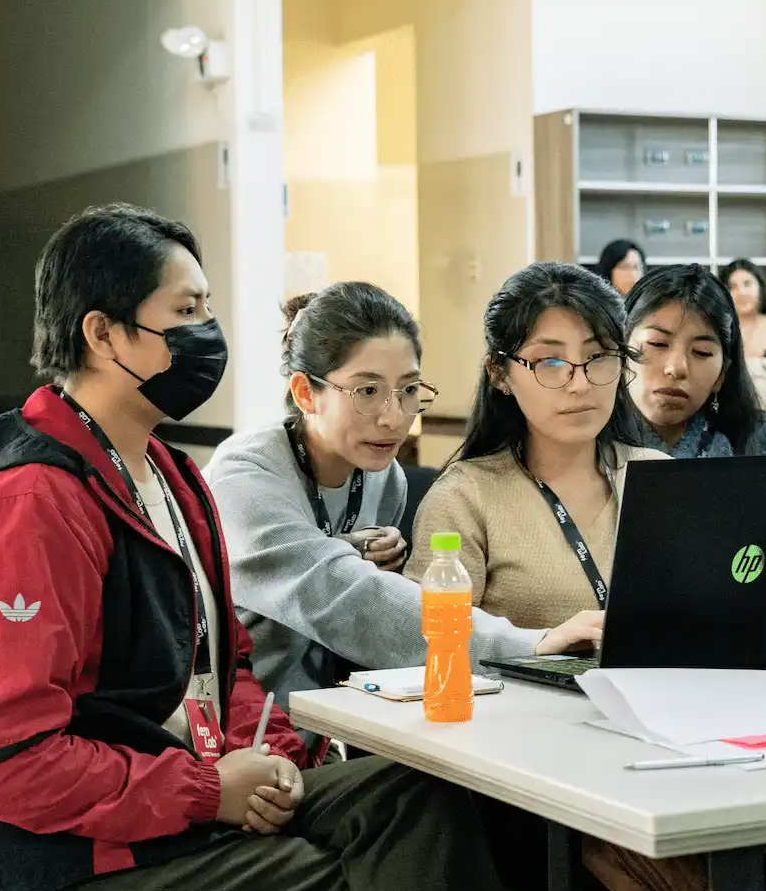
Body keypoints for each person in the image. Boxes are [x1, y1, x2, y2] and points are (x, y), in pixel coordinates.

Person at [0, 204, 532, 891]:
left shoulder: (173, 479)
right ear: (103, 333)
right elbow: (8, 763)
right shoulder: (31, 504)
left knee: (418, 798)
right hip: (54, 873)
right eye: (185, 311)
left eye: (208, 309)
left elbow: (223, 666)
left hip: (171, 808)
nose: (209, 335)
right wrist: (207, 792)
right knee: (351, 887)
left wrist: (273, 760)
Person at [405, 262, 705, 891]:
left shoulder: (660, 478)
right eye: (550, 363)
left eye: (599, 360)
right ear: (500, 373)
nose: (580, 383)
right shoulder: (465, 497)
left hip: (669, 740)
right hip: (532, 771)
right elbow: (429, 655)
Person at [205, 283, 600, 725]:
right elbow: (341, 595)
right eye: (367, 391)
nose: (394, 417)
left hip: (319, 724)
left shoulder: (383, 477)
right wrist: (525, 645)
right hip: (227, 736)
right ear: (304, 393)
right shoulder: (245, 476)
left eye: (409, 389)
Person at [623, 263, 766, 457]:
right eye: (657, 343)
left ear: (722, 373)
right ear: (619, 350)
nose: (676, 368)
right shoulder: (589, 443)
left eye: (701, 352)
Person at [720, 257, 766, 359]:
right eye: (732, 287)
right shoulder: (715, 331)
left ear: (760, 287)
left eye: (747, 284)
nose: (742, 292)